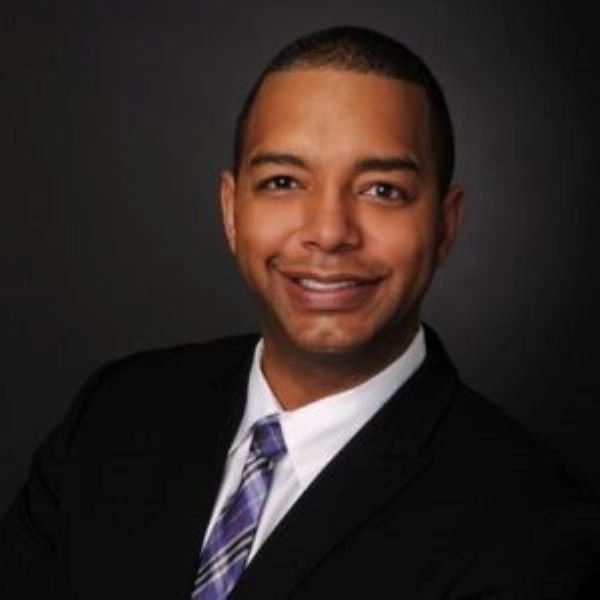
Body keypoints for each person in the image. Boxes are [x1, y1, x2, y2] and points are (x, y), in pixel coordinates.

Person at [1, 25, 599, 599]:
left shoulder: (537, 529)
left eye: (382, 190)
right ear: (232, 210)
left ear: (445, 225)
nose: (329, 232)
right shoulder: (114, 414)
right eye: (284, 182)